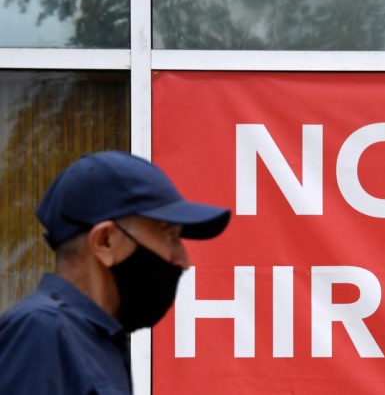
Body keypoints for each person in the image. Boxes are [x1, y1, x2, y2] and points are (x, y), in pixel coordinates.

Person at [0, 151, 231, 394]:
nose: (184, 260)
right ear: (105, 241)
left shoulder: (96, 341)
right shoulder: (41, 332)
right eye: (168, 235)